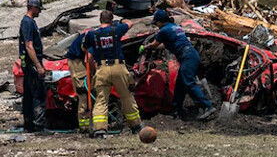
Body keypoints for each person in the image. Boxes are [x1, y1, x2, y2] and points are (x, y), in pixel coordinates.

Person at [143, 10, 216, 121]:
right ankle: (177, 109)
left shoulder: (163, 30)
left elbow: (155, 44)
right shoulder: (174, 27)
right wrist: (151, 47)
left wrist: (146, 47)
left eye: (156, 22)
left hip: (187, 56)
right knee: (180, 85)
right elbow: (163, 46)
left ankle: (207, 106)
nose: (156, 25)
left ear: (161, 21)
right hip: (190, 54)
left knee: (189, 82)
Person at [83, 10, 141, 138]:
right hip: (118, 67)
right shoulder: (116, 30)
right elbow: (130, 23)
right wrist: (120, 21)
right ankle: (135, 126)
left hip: (102, 68)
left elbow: (86, 50)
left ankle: (99, 130)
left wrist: (94, 68)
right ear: (111, 20)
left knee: (101, 100)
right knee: (126, 96)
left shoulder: (92, 34)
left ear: (100, 20)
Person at [19, 0, 47, 133]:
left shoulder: (29, 22)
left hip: (30, 64)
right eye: (39, 9)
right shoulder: (28, 23)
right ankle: (38, 125)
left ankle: (29, 124)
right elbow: (29, 46)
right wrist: (39, 65)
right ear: (33, 8)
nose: (40, 12)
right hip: (32, 64)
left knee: (29, 94)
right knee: (39, 94)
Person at [65, 29, 92, 132]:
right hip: (77, 61)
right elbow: (87, 54)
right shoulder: (92, 38)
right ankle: (84, 126)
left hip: (80, 60)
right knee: (83, 92)